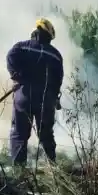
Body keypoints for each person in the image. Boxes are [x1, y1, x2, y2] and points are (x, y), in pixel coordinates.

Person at [6, 17, 64, 167]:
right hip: (46, 99)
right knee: (46, 136)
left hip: (23, 96)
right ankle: (52, 170)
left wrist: (17, 75)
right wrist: (55, 97)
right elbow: (58, 80)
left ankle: (19, 171)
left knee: (19, 134)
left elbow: (10, 57)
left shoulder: (21, 47)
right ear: (49, 36)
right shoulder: (56, 55)